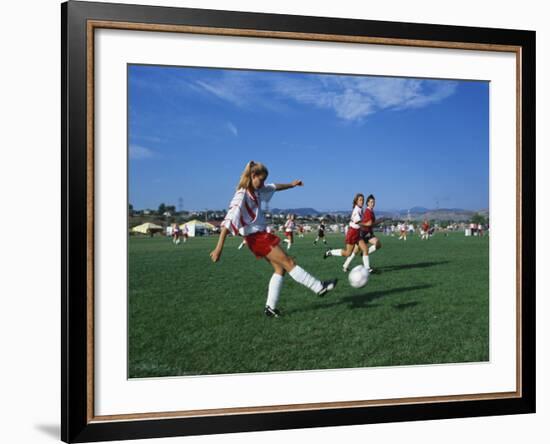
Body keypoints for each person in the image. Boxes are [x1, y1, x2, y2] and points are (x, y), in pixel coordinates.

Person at [210, 161, 338, 318]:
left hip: (259, 236)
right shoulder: (241, 195)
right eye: (261, 180)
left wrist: (292, 184)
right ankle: (319, 286)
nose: (263, 184)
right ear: (253, 176)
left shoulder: (257, 190)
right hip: (256, 238)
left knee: (280, 269)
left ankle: (270, 308)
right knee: (289, 262)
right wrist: (218, 249)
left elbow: (274, 186)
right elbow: (228, 222)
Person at [323, 193, 371, 270]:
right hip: (352, 233)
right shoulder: (356, 210)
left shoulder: (360, 209)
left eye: (363, 200)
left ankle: (368, 268)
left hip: (357, 233)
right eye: (360, 200)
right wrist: (367, 224)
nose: (362, 201)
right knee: (348, 253)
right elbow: (358, 222)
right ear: (356, 201)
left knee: (365, 249)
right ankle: (330, 252)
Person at [342, 194, 382, 272]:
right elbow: (367, 224)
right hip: (364, 233)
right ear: (367, 203)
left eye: (373, 202)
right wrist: (378, 221)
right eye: (371, 202)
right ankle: (365, 266)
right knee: (356, 251)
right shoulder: (367, 212)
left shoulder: (370, 211)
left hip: (367, 233)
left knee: (357, 251)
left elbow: (370, 224)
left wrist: (378, 221)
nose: (372, 203)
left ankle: (346, 265)